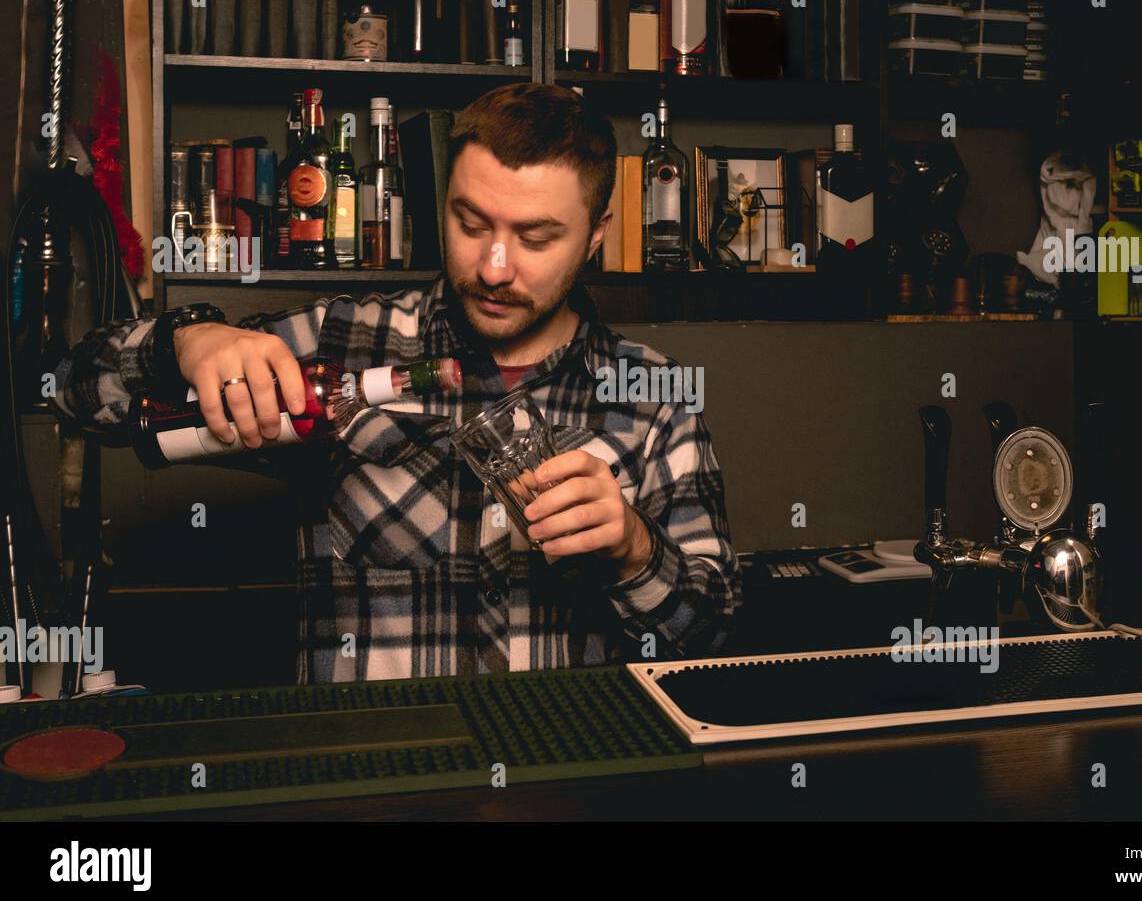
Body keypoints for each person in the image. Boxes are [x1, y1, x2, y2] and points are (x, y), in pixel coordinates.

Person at [50, 83, 741, 683]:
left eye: (535, 239)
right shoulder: (344, 343)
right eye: (470, 224)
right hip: (376, 781)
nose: (495, 267)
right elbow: (73, 389)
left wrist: (633, 550)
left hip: (569, 783)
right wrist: (187, 339)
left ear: (596, 234)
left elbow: (713, 639)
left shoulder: (655, 398)